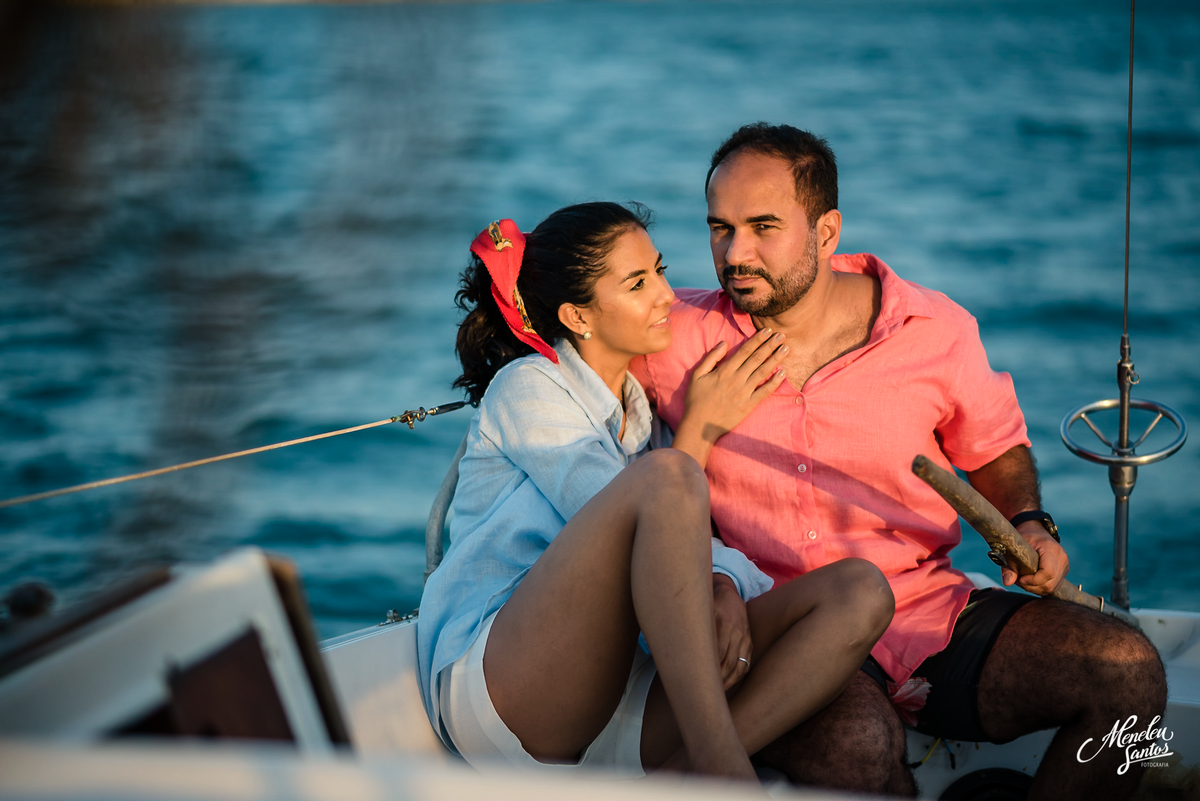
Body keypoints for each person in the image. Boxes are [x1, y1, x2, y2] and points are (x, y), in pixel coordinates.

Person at [631, 124, 1167, 799]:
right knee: (860, 743)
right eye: (719, 228)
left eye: (763, 226)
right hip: (775, 626)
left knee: (1128, 670)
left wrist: (1028, 522)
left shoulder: (934, 330)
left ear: (827, 232)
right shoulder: (670, 337)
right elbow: (566, 324)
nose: (734, 253)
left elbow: (995, 444)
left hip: (923, 608)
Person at [417, 202, 895, 781]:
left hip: (618, 698)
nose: (667, 296)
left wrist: (720, 580)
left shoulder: (644, 417)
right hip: (506, 695)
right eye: (638, 283)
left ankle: (686, 773)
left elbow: (671, 535)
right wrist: (700, 432)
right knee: (668, 477)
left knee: (859, 590)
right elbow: (624, 505)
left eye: (661, 271)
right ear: (577, 316)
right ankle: (725, 772)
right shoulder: (529, 389)